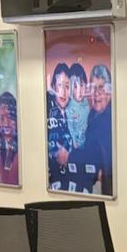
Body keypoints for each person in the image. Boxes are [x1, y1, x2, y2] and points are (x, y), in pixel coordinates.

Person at [72, 65, 111, 196]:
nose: (96, 93)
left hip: (109, 187)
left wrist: (69, 156)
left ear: (110, 91)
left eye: (101, 88)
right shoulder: (92, 114)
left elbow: (93, 155)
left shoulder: (111, 117)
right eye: (93, 88)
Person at [47, 62, 74, 191]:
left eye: (67, 86)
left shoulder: (73, 111)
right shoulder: (47, 108)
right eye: (59, 86)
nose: (63, 92)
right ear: (53, 87)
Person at [0, 91, 19, 186]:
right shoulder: (2, 148)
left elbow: (7, 184)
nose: (6, 124)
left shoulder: (20, 148)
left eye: (10, 118)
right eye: (2, 119)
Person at [65, 62, 90, 150]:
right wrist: (74, 143)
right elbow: (70, 127)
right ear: (71, 89)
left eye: (82, 85)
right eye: (75, 87)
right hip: (76, 145)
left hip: (86, 142)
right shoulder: (70, 107)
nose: (79, 90)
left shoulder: (86, 102)